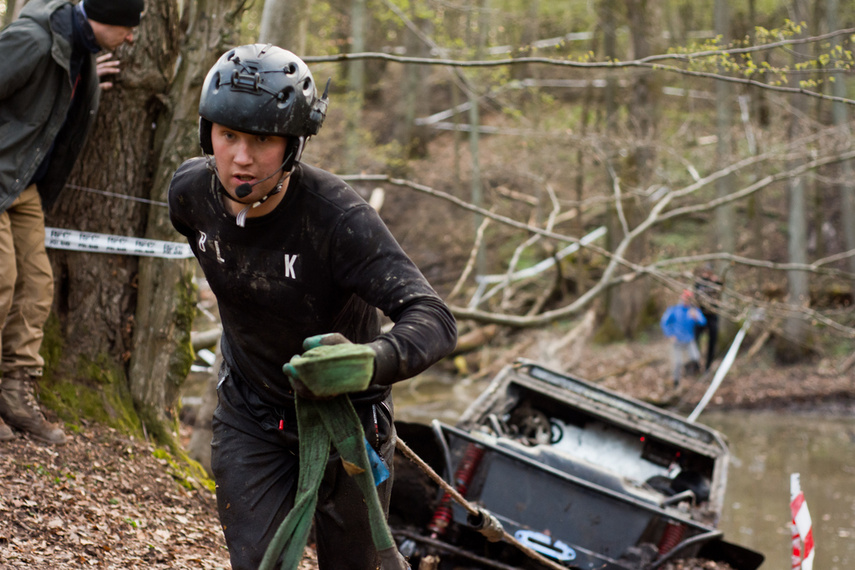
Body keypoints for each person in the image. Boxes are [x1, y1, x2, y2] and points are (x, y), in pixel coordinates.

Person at [168, 44, 458, 570]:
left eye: (262, 139)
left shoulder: (338, 220)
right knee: (260, 563)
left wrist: (370, 360)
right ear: (207, 132)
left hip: (348, 422)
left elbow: (433, 318)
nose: (240, 157)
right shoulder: (190, 195)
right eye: (228, 135)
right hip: (251, 415)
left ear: (293, 145)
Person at [0, 0, 145, 445]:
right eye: (127, 26)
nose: (132, 37)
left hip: (24, 185)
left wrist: (83, 87)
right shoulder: (32, 39)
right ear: (103, 17)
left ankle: (13, 394)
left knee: (36, 286)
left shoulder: (80, 54)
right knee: (1, 279)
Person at [660, 289, 706, 387]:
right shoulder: (674, 309)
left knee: (695, 357)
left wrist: (696, 317)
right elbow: (664, 322)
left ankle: (690, 371)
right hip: (677, 340)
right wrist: (669, 334)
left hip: (689, 340)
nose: (686, 301)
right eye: (685, 299)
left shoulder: (693, 310)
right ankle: (676, 381)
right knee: (677, 363)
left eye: (688, 299)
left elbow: (703, 322)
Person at [693, 264, 723, 371]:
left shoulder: (716, 282)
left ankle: (708, 365)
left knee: (712, 340)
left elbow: (721, 289)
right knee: (695, 338)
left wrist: (717, 281)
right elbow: (695, 296)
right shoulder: (700, 282)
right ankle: (696, 363)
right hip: (701, 314)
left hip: (712, 315)